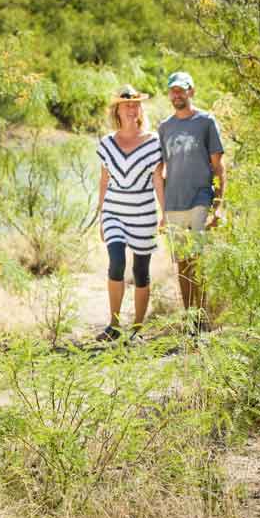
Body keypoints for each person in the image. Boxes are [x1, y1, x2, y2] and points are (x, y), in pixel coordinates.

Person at [93, 85, 165, 342]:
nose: (132, 108)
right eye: (127, 104)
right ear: (118, 110)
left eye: (136, 104)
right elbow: (104, 180)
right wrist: (102, 216)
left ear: (140, 109)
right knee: (117, 262)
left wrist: (164, 212)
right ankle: (113, 325)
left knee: (141, 271)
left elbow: (158, 179)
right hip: (114, 211)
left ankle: (137, 329)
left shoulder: (154, 142)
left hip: (143, 214)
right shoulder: (106, 143)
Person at [156, 71, 226, 331]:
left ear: (191, 91)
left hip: (200, 197)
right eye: (173, 90)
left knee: (198, 259)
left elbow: (219, 167)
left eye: (181, 89)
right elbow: (160, 171)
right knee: (183, 264)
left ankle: (203, 318)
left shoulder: (205, 122)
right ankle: (190, 321)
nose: (177, 94)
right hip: (174, 202)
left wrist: (218, 206)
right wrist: (162, 211)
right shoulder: (164, 127)